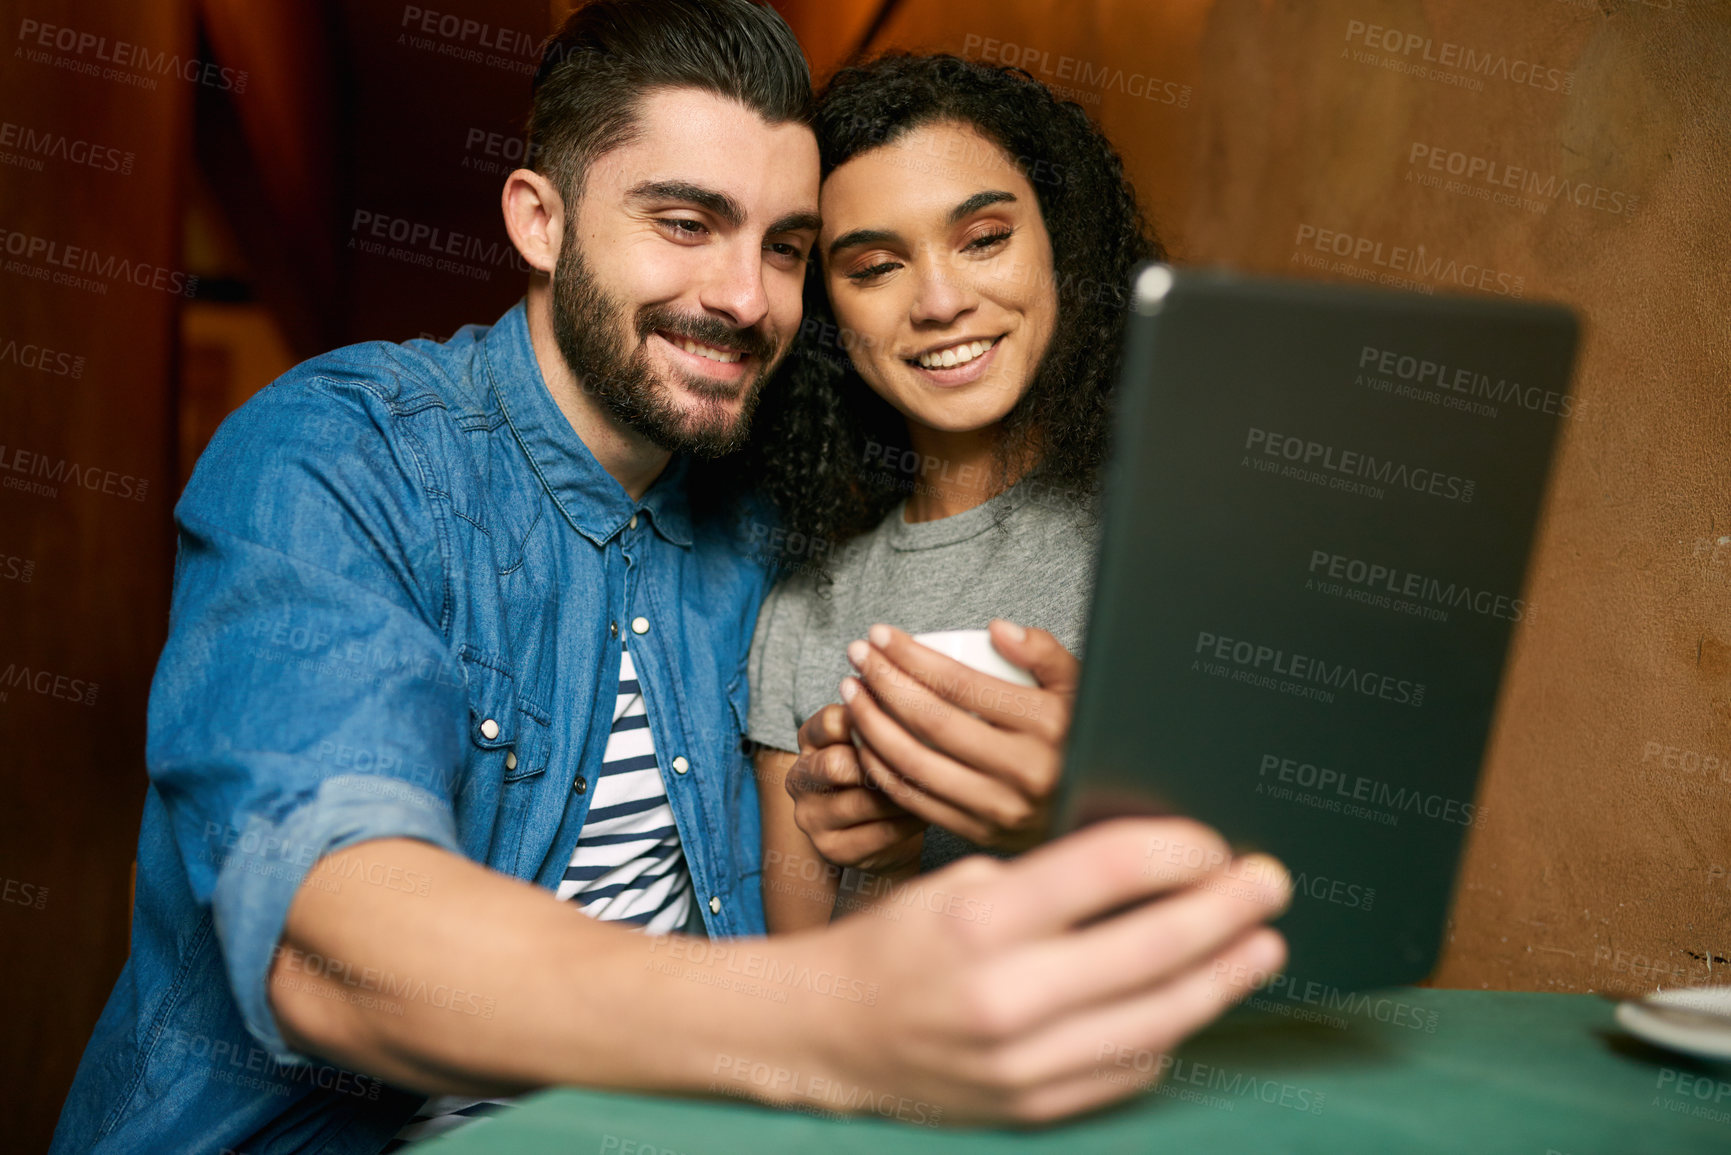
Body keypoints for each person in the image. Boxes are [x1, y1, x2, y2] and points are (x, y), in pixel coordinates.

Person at [51, 4, 1290, 1152]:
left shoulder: (774, 522)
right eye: (685, 224)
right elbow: (335, 945)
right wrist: (815, 1019)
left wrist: (938, 826)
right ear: (539, 220)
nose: (745, 298)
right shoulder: (342, 451)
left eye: (789, 248)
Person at [746, 53, 1155, 928]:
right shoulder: (805, 612)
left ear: (1063, 244)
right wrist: (887, 858)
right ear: (828, 312)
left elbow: (1309, 909)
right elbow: (806, 1014)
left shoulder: (1184, 538)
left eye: (984, 239)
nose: (938, 301)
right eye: (874, 266)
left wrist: (1091, 805)